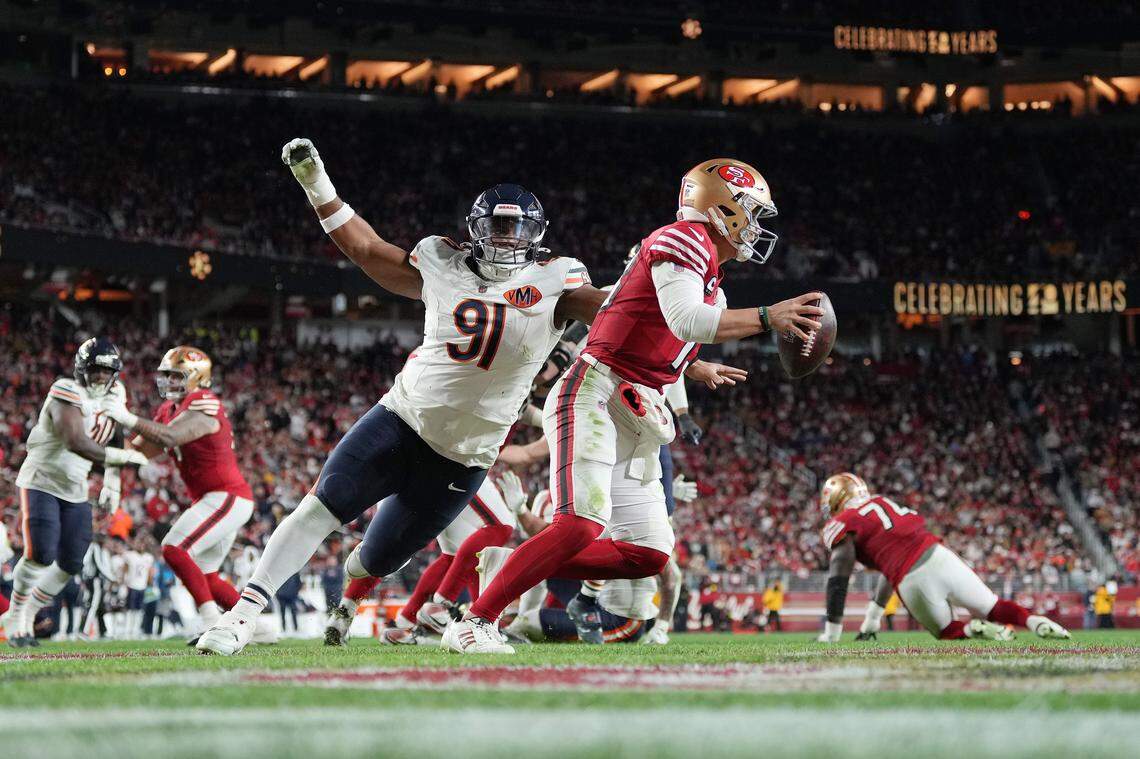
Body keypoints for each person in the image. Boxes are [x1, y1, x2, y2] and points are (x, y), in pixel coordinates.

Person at [196, 137, 610, 655]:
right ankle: (241, 617)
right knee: (317, 510)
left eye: (515, 228)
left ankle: (360, 578)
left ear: (537, 235)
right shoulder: (442, 262)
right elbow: (366, 249)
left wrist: (682, 321)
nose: (505, 239)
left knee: (380, 560)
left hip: (465, 456)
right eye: (496, 227)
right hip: (402, 420)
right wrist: (315, 182)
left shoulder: (559, 280)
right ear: (476, 231)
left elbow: (616, 312)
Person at [446, 158, 823, 653]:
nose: (755, 225)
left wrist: (695, 367)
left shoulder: (711, 272)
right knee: (580, 523)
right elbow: (686, 320)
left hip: (635, 406)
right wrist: (766, 317)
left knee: (647, 553)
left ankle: (513, 563)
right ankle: (475, 621)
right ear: (723, 207)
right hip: (596, 391)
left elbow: (659, 331)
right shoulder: (683, 238)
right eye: (751, 211)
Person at [107, 346, 270, 643]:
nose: (168, 381)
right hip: (213, 498)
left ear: (197, 377)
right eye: (166, 375)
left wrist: (125, 416)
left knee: (174, 548)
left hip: (227, 495)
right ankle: (256, 628)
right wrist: (99, 448)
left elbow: (171, 436)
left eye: (176, 375)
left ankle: (211, 623)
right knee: (205, 574)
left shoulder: (204, 402)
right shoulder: (169, 410)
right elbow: (139, 451)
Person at [2, 338, 149, 647]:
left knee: (71, 562)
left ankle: (28, 610)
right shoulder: (65, 390)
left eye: (105, 372)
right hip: (42, 480)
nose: (99, 378)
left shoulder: (116, 394)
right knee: (40, 553)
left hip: (76, 488)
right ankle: (15, 615)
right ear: (82, 370)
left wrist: (113, 481)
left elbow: (115, 433)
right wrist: (122, 460)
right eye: (94, 370)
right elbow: (75, 441)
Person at [816, 472, 1071, 643]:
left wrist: (832, 633)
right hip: (939, 555)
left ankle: (973, 629)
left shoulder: (844, 521)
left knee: (948, 631)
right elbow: (887, 566)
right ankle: (1033, 620)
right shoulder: (882, 502)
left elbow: (839, 578)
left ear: (837, 499)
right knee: (993, 606)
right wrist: (871, 621)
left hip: (911, 578)